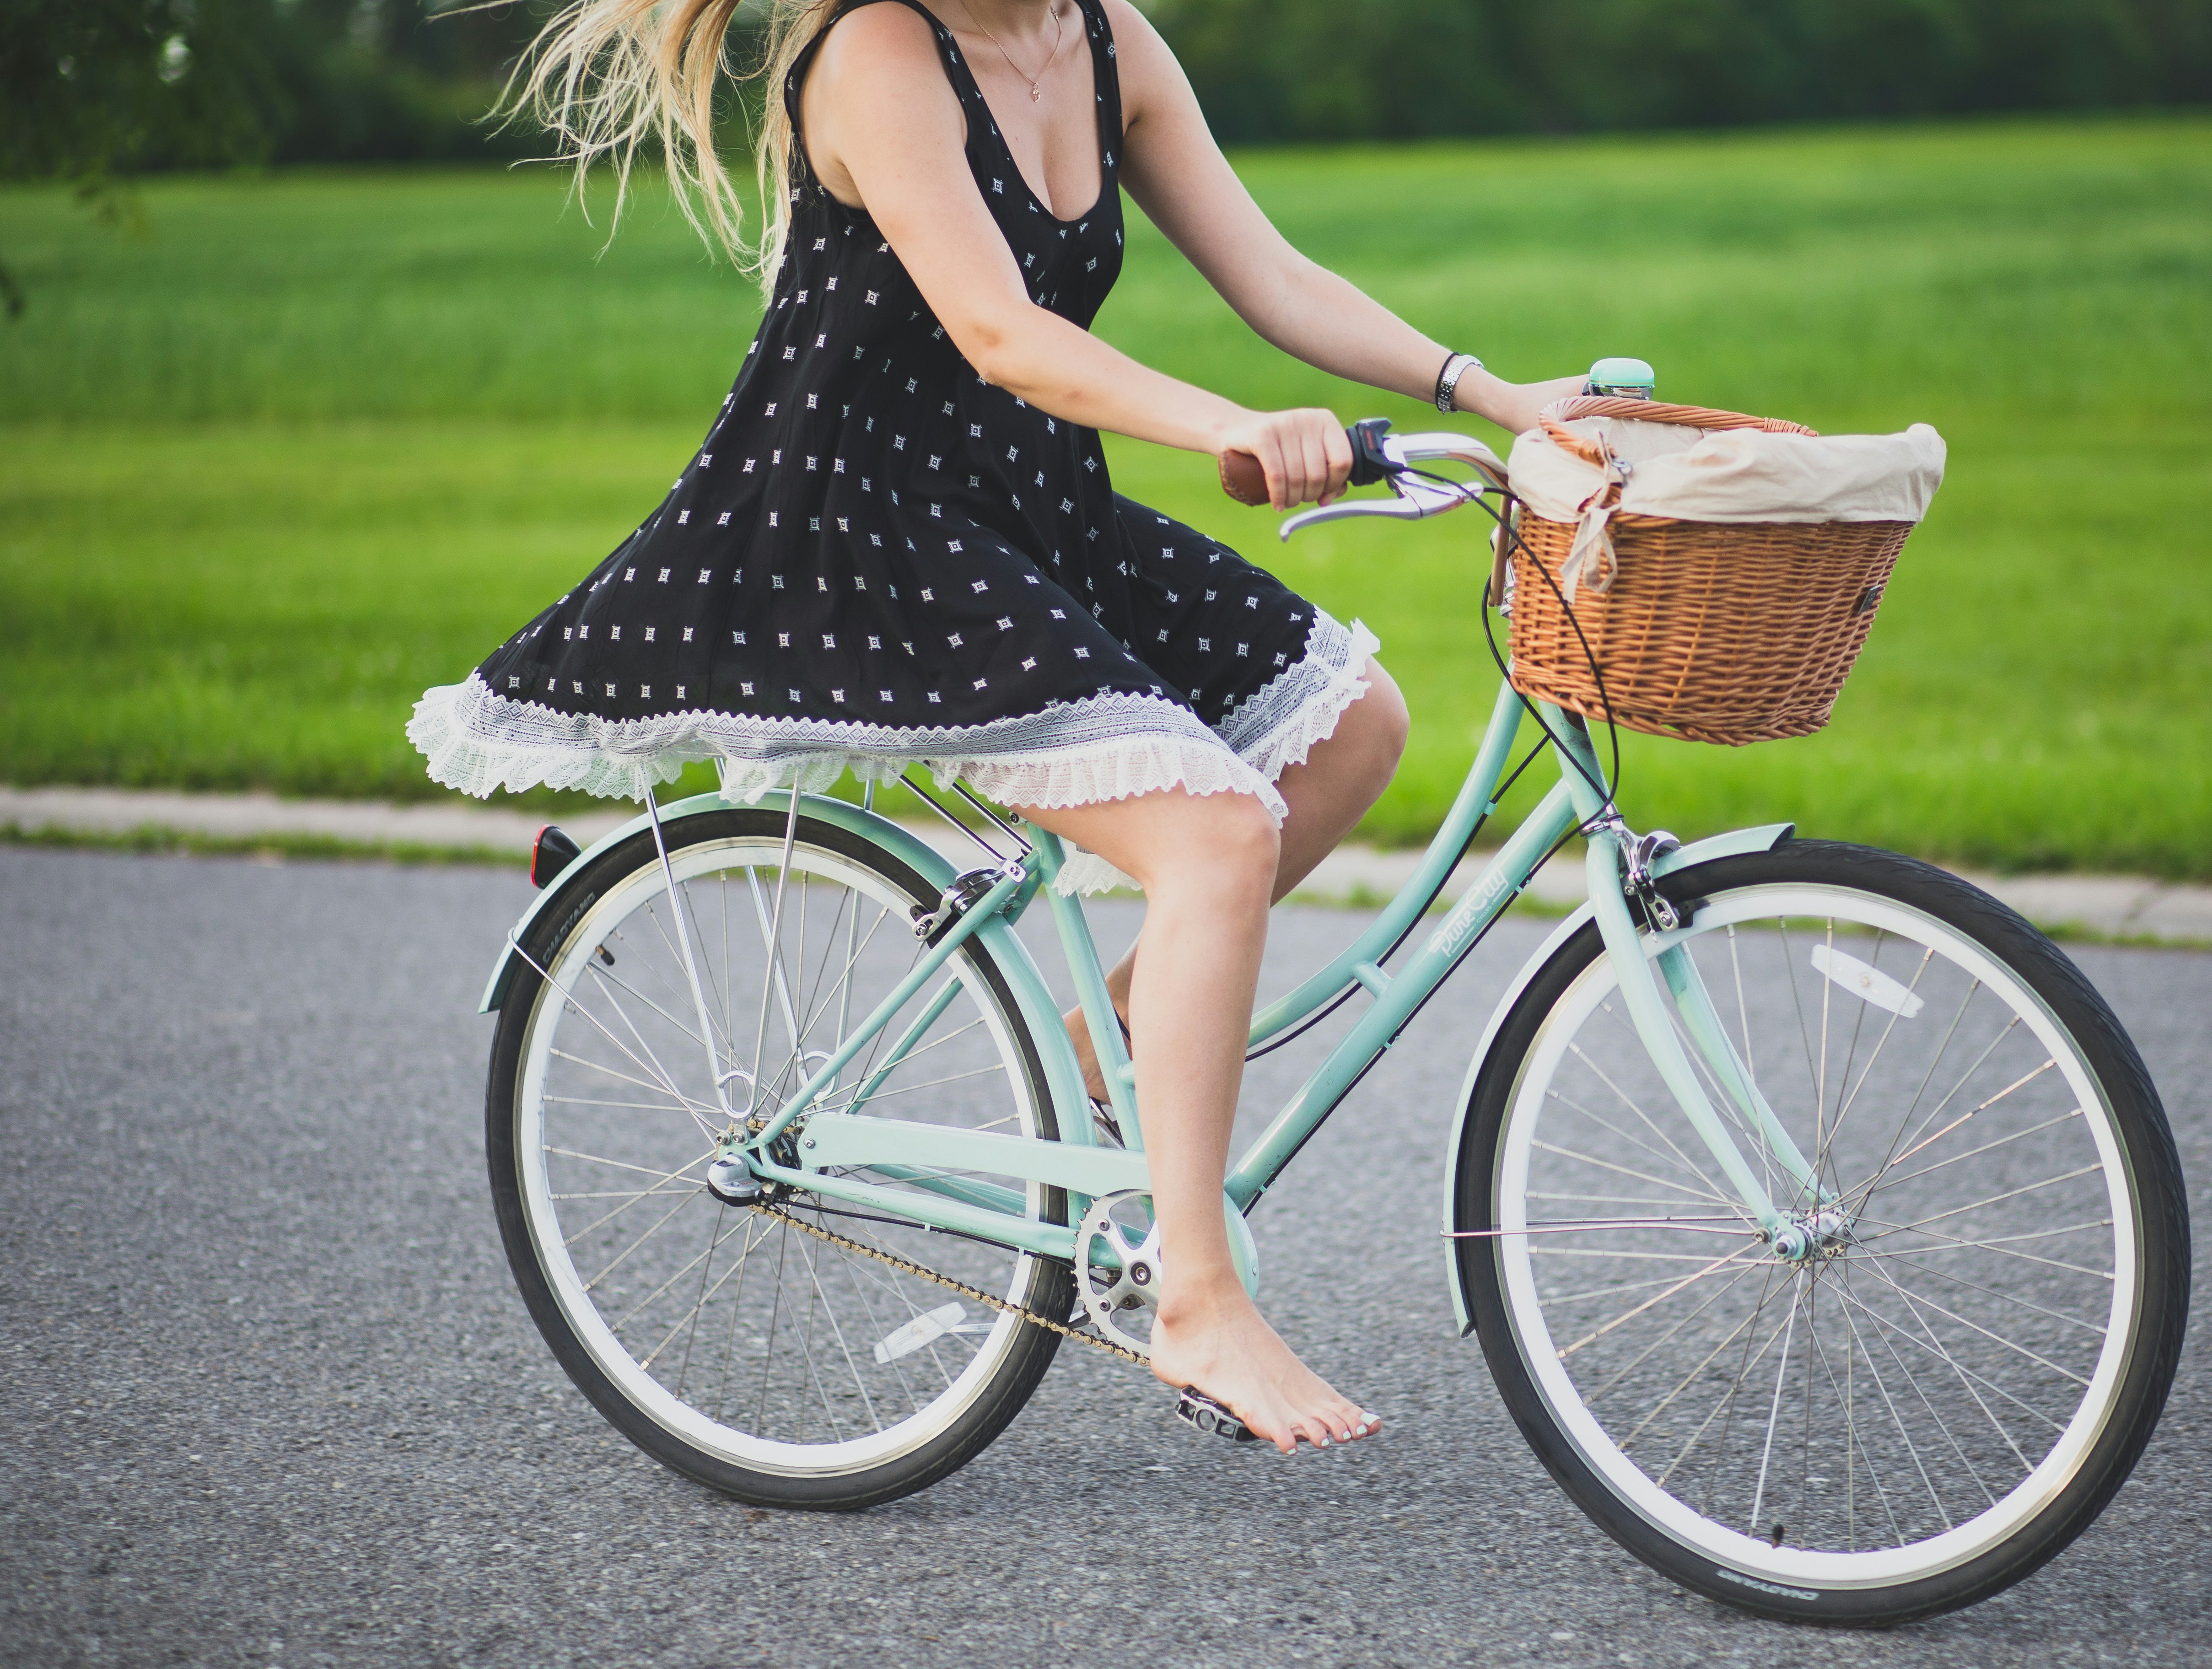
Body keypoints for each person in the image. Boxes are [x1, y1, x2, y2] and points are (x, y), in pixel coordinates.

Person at [408, 0, 1579, 1454]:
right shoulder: (879, 56)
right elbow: (999, 333)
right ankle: (1197, 1302)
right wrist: (1229, 425)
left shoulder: (1106, 39)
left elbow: (1274, 275)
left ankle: (1103, 1048)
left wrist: (1495, 396)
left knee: (1353, 730)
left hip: (1027, 511)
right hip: (863, 535)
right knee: (1218, 836)